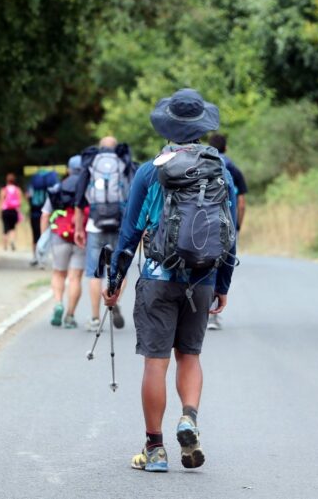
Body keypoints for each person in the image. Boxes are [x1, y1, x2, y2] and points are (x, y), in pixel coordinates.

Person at [103, 89, 237, 472]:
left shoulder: (151, 170)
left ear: (168, 126)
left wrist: (114, 280)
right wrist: (222, 284)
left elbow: (129, 232)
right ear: (201, 128)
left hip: (158, 278)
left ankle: (155, 450)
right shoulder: (220, 170)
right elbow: (230, 233)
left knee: (155, 363)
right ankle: (189, 419)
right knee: (190, 356)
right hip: (204, 277)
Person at [73, 136, 135, 332]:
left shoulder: (91, 164)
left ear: (100, 148)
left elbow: (79, 200)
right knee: (120, 270)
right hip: (119, 225)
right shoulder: (124, 163)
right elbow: (133, 196)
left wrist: (78, 228)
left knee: (94, 272)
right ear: (116, 148)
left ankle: (94, 318)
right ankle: (113, 297)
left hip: (95, 225)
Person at [207, 133, 248, 330]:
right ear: (226, 148)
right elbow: (241, 203)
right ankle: (212, 315)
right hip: (224, 222)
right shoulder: (232, 169)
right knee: (219, 263)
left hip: (199, 224)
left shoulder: (199, 163)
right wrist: (237, 225)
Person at [40, 156, 87, 329]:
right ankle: (70, 316)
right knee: (75, 278)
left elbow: (45, 214)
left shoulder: (58, 188)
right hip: (81, 237)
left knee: (59, 273)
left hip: (59, 236)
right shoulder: (87, 188)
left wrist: (43, 236)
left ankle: (59, 303)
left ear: (68, 170)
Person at [27, 169, 58, 266]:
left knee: (35, 235)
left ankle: (35, 257)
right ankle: (46, 258)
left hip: (35, 212)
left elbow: (28, 195)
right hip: (50, 213)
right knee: (50, 235)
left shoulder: (33, 183)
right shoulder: (52, 182)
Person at [0, 173, 23, 251]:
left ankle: (4, 246)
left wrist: (0, 211)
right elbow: (20, 202)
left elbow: (1, 201)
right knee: (12, 228)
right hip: (14, 211)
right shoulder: (17, 189)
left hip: (5, 210)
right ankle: (12, 241)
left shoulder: (4, 190)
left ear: (7, 180)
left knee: (5, 228)